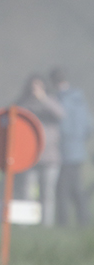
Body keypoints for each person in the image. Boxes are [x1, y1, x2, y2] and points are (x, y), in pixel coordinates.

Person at [14, 73, 64, 227]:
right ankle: (26, 225)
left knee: (47, 194)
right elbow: (15, 117)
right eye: (33, 86)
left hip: (50, 158)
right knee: (26, 192)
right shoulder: (24, 104)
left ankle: (45, 226)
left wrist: (43, 99)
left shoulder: (51, 102)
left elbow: (61, 114)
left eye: (39, 86)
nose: (35, 90)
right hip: (29, 157)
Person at [50, 67, 92, 227]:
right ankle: (84, 221)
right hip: (78, 150)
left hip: (65, 150)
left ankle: (63, 224)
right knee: (75, 188)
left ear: (53, 82)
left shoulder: (60, 100)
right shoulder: (79, 98)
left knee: (62, 190)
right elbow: (89, 126)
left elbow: (61, 127)